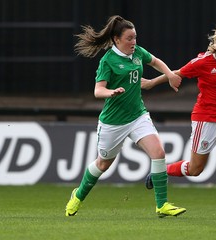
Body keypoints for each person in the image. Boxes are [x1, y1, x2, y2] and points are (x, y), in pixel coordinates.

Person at [65, 15, 186, 218]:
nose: (134, 42)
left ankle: (162, 204)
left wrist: (170, 74)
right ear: (116, 39)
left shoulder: (137, 52)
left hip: (137, 115)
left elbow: (155, 61)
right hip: (113, 122)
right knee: (103, 164)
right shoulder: (108, 61)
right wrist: (110, 92)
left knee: (158, 153)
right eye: (129, 38)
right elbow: (98, 90)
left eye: (135, 37)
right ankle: (78, 195)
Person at [142, 27, 216, 218]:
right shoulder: (203, 62)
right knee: (195, 169)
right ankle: (160, 173)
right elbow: (176, 73)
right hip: (206, 119)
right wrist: (151, 83)